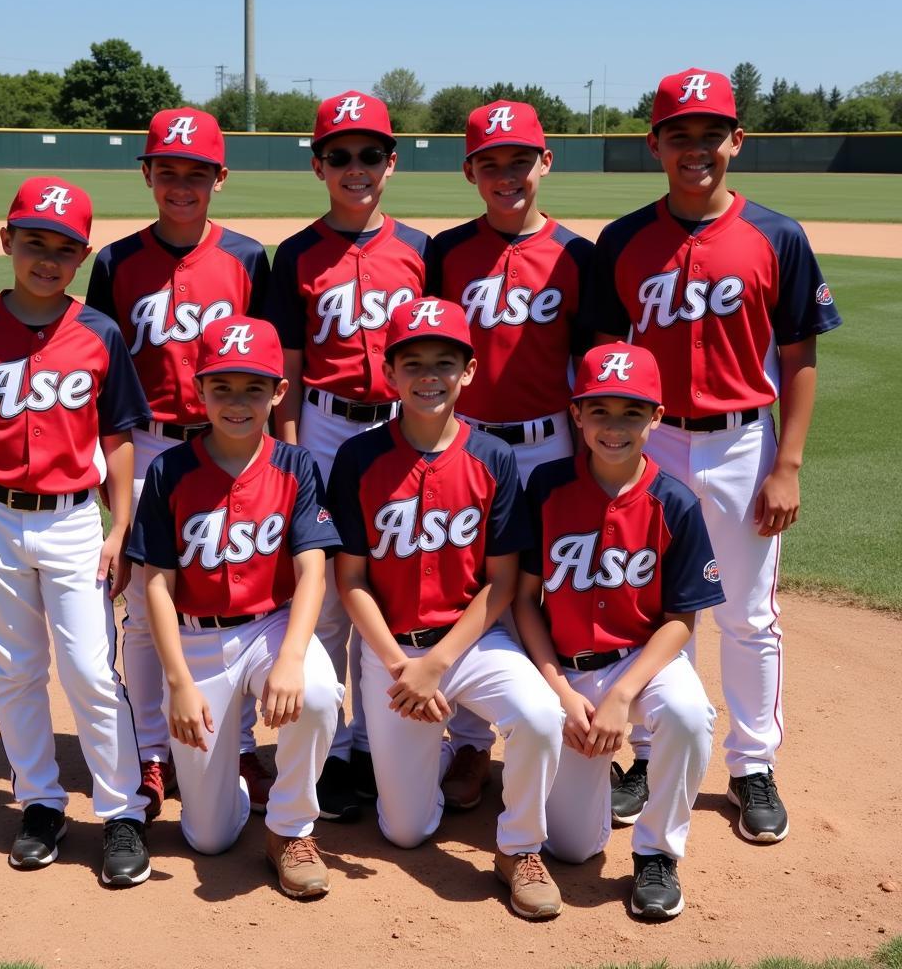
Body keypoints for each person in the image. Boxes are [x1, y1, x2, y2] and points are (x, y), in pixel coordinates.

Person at [588, 68, 842, 842]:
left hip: (740, 442)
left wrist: (787, 464)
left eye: (710, 134)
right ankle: (638, 752)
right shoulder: (624, 240)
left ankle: (752, 765)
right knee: (643, 605)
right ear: (654, 144)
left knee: (746, 614)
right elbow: (601, 360)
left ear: (737, 140)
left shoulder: (777, 235)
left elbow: (799, 356)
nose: (695, 149)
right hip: (648, 441)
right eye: (679, 135)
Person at [0, 177, 152, 886]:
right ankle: (42, 802)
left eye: (63, 248)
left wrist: (121, 527)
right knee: (17, 668)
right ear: (7, 242)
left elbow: (117, 437)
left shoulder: (100, 332)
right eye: (34, 242)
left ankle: (121, 812)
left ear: (81, 256)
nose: (47, 258)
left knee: (89, 669)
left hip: (76, 520)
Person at [327, 299, 564, 919]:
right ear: (390, 372)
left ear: (468, 371)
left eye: (444, 362)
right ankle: (442, 754)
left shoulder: (492, 456)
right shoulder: (359, 458)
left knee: (541, 717)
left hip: (473, 643)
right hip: (391, 650)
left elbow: (503, 583)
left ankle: (519, 847)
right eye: (413, 363)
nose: (429, 376)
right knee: (404, 831)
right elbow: (350, 579)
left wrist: (438, 663)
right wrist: (401, 664)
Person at [86, 107, 272, 818]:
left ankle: (243, 741)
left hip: (230, 441)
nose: (182, 185)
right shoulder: (115, 263)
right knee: (139, 599)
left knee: (236, 588)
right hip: (149, 442)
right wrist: (114, 469)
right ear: (148, 175)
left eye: (197, 173)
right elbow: (101, 372)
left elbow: (268, 367)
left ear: (219, 179)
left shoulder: (250, 258)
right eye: (168, 171)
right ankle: (150, 750)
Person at [127, 315, 343, 898]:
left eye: (254, 388)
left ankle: (290, 828)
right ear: (198, 391)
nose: (238, 402)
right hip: (197, 640)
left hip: (270, 626)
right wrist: (176, 682)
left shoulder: (296, 465)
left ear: (279, 392)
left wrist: (294, 657)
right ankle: (234, 787)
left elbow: (312, 567)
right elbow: (155, 586)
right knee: (210, 837)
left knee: (319, 693)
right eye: (222, 387)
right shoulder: (168, 470)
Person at [263, 91, 433, 819]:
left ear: (390, 164)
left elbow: (443, 355)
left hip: (404, 425)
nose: (355, 168)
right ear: (318, 165)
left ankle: (377, 738)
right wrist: (295, 455)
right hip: (329, 430)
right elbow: (291, 369)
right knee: (328, 592)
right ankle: (330, 749)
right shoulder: (295, 256)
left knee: (392, 585)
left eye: (370, 155)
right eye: (340, 156)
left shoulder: (424, 251)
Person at [514, 342, 721, 918]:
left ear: (656, 418)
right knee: (572, 849)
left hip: (639, 665)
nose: (614, 426)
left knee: (686, 714)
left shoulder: (674, 501)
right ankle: (596, 776)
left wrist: (623, 694)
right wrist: (561, 692)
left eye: (632, 412)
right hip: (566, 670)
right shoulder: (548, 488)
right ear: (575, 414)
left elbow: (682, 618)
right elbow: (526, 602)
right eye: (599, 410)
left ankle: (657, 852)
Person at [427, 100, 592, 808]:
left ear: (544, 163)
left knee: (555, 587)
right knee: (465, 582)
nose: (506, 175)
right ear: (469, 171)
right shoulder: (445, 251)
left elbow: (594, 363)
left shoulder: (580, 255)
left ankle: (569, 732)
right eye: (490, 163)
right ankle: (469, 743)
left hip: (552, 439)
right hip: (471, 440)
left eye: (519, 160)